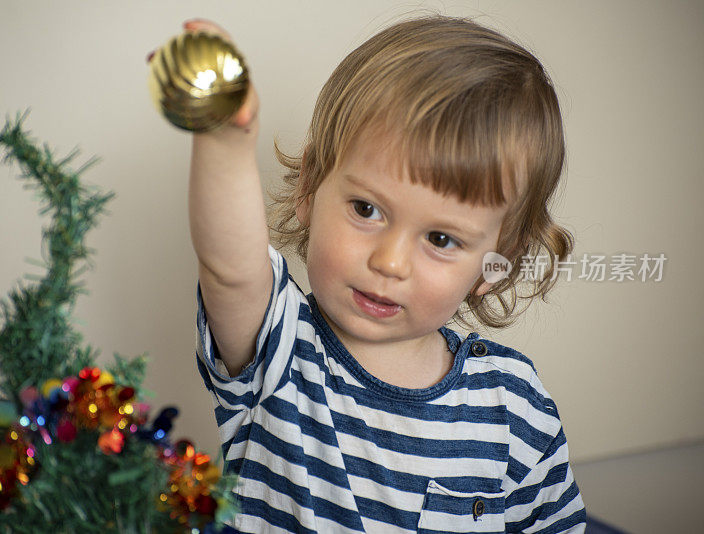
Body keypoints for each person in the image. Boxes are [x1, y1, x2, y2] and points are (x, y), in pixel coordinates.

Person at [184, 13, 586, 533]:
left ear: (496, 264)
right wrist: (223, 139)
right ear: (309, 190)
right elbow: (230, 268)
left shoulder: (515, 406)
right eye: (366, 209)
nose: (390, 263)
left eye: (441, 239)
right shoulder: (280, 347)